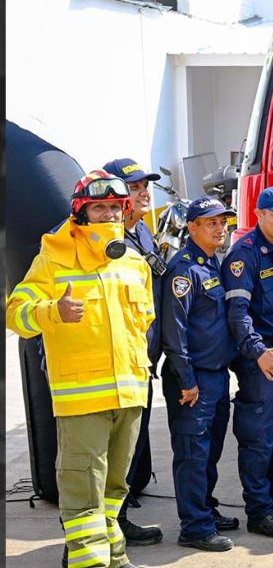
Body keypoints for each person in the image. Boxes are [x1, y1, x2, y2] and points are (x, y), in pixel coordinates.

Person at [6, 171, 153, 568]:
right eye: (98, 207)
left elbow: (144, 322)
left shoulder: (134, 262)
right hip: (83, 399)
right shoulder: (53, 257)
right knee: (83, 492)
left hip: (130, 396)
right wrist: (53, 312)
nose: (109, 214)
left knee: (114, 490)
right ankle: (89, 563)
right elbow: (15, 313)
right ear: (81, 212)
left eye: (115, 207)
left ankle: (115, 557)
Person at [222, 186, 273, 538]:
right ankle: (259, 511)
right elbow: (237, 314)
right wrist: (259, 352)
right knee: (258, 438)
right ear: (259, 215)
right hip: (260, 358)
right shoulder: (245, 254)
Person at [160, 196, 240, 551]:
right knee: (192, 454)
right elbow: (174, 332)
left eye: (223, 222)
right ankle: (194, 527)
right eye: (211, 223)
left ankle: (205, 509)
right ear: (192, 227)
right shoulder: (184, 270)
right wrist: (188, 381)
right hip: (193, 379)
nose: (220, 229)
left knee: (209, 452)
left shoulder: (211, 263)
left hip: (216, 376)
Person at [101, 157, 166, 546]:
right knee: (110, 452)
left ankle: (118, 517)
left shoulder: (142, 229)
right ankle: (112, 525)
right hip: (114, 363)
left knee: (132, 444)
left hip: (142, 359)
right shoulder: (101, 237)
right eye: (134, 187)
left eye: (145, 186)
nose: (143, 193)